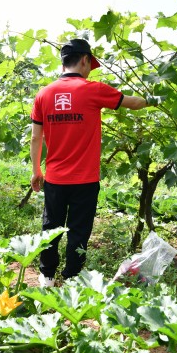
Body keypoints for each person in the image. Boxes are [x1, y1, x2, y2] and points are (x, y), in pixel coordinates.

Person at [30, 39, 149, 287]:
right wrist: (156, 99)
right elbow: (135, 103)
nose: (89, 70)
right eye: (90, 65)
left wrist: (36, 171)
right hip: (84, 179)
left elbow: (35, 137)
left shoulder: (43, 94)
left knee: (50, 227)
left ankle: (47, 276)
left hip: (54, 177)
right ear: (84, 60)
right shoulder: (94, 89)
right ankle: (72, 278)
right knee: (79, 230)